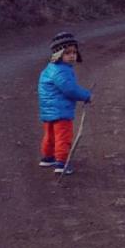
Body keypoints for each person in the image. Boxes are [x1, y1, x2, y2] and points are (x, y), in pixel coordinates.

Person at [38, 31, 92, 175]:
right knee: (63, 137)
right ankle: (61, 163)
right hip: (61, 111)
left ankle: (48, 157)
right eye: (67, 53)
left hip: (49, 110)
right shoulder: (61, 71)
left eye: (74, 52)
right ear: (59, 54)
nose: (72, 55)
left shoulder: (50, 69)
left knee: (50, 135)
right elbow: (70, 90)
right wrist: (86, 95)